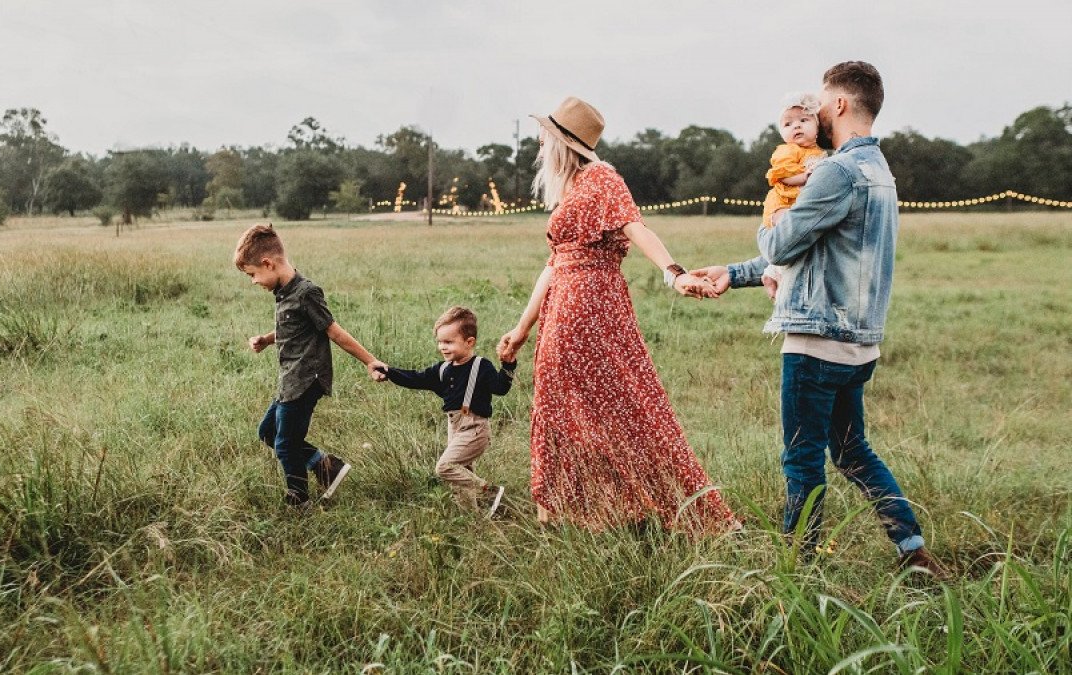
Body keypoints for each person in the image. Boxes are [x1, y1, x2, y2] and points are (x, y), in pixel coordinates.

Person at [690, 62, 945, 575]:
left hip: (816, 341)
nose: (816, 113)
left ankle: (798, 568)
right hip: (859, 344)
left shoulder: (836, 171)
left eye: (822, 104)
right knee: (852, 452)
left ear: (841, 104)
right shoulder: (879, 171)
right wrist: (734, 273)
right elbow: (815, 250)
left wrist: (773, 215)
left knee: (802, 458)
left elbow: (782, 245)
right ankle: (912, 550)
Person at [496, 96, 739, 533]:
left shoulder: (601, 177)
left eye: (544, 137)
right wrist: (521, 328)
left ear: (563, 142)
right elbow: (554, 264)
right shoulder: (571, 188)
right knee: (564, 404)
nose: (539, 144)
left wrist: (673, 273)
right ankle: (576, 511)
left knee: (622, 405)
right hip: (564, 304)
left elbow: (635, 226)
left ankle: (636, 506)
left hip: (589, 305)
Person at [234, 224, 388, 508]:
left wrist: (370, 361)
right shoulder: (284, 292)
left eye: (252, 274)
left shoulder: (306, 292)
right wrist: (267, 339)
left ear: (268, 263)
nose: (253, 282)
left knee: (285, 444)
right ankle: (326, 467)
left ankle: (299, 500)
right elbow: (294, 327)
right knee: (268, 432)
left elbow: (334, 331)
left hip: (306, 379)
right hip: (289, 380)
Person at [380, 306, 514, 516]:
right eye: (440, 342)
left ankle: (489, 492)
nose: (443, 347)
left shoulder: (481, 366)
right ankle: (471, 517)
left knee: (446, 467)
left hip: (475, 428)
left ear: (469, 342)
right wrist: (388, 371)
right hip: (454, 427)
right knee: (461, 475)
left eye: (449, 342)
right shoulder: (443, 369)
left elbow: (501, 388)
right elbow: (416, 378)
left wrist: (508, 365)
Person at [760, 92, 828, 299]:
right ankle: (777, 274)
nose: (796, 126)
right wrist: (804, 177)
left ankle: (773, 272)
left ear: (817, 127)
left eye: (803, 120)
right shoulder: (788, 150)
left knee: (800, 238)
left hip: (798, 203)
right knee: (789, 232)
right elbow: (783, 175)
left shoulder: (820, 153)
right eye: (788, 124)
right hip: (782, 202)